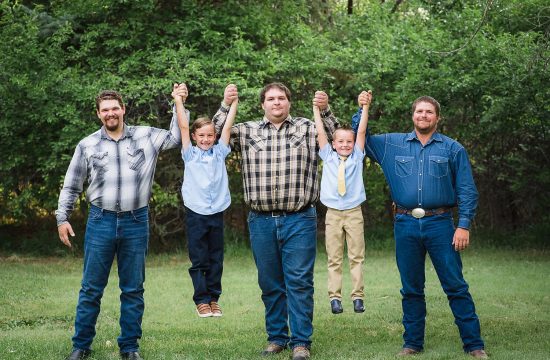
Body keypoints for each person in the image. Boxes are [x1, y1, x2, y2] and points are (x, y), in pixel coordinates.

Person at [352, 93, 488, 359]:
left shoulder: (452, 149)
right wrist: (362, 108)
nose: (423, 116)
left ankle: (474, 344)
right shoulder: (391, 144)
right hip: (405, 225)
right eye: (419, 112)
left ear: (437, 117)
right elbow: (359, 136)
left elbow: (467, 191)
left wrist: (463, 225)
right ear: (412, 115)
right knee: (411, 288)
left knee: (455, 285)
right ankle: (412, 343)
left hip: (441, 225)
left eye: (429, 112)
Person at [212, 83, 339, 360]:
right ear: (262, 105)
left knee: (299, 282)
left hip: (300, 219)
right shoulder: (246, 131)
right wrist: (225, 104)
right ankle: (276, 337)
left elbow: (336, 137)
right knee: (270, 282)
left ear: (289, 102)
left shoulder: (307, 127)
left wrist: (324, 108)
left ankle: (301, 342)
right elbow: (214, 136)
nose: (276, 102)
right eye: (270, 99)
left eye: (281, 98)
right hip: (260, 221)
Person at [56, 89, 181, 360]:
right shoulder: (87, 145)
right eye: (105, 110)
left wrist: (178, 102)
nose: (110, 113)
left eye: (114, 108)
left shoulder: (146, 135)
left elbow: (177, 137)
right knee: (91, 288)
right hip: (100, 220)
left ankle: (129, 347)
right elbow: (72, 184)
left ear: (123, 109)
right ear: (98, 114)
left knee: (133, 288)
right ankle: (81, 346)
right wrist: (62, 218)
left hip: (136, 221)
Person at [172, 83, 237, 318]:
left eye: (210, 135)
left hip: (217, 210)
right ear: (194, 137)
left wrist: (234, 103)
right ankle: (201, 300)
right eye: (202, 135)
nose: (206, 139)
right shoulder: (189, 153)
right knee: (199, 258)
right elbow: (182, 124)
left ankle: (213, 298)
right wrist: (179, 101)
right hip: (196, 212)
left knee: (216, 258)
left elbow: (228, 126)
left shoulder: (220, 151)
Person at [314, 90, 372, 315]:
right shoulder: (328, 156)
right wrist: (316, 110)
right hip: (333, 214)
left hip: (354, 212)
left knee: (356, 256)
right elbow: (320, 131)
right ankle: (334, 298)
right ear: (334, 143)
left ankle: (358, 297)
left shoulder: (357, 156)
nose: (346, 145)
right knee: (334, 257)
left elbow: (362, 130)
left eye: (349, 141)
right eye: (341, 141)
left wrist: (365, 108)